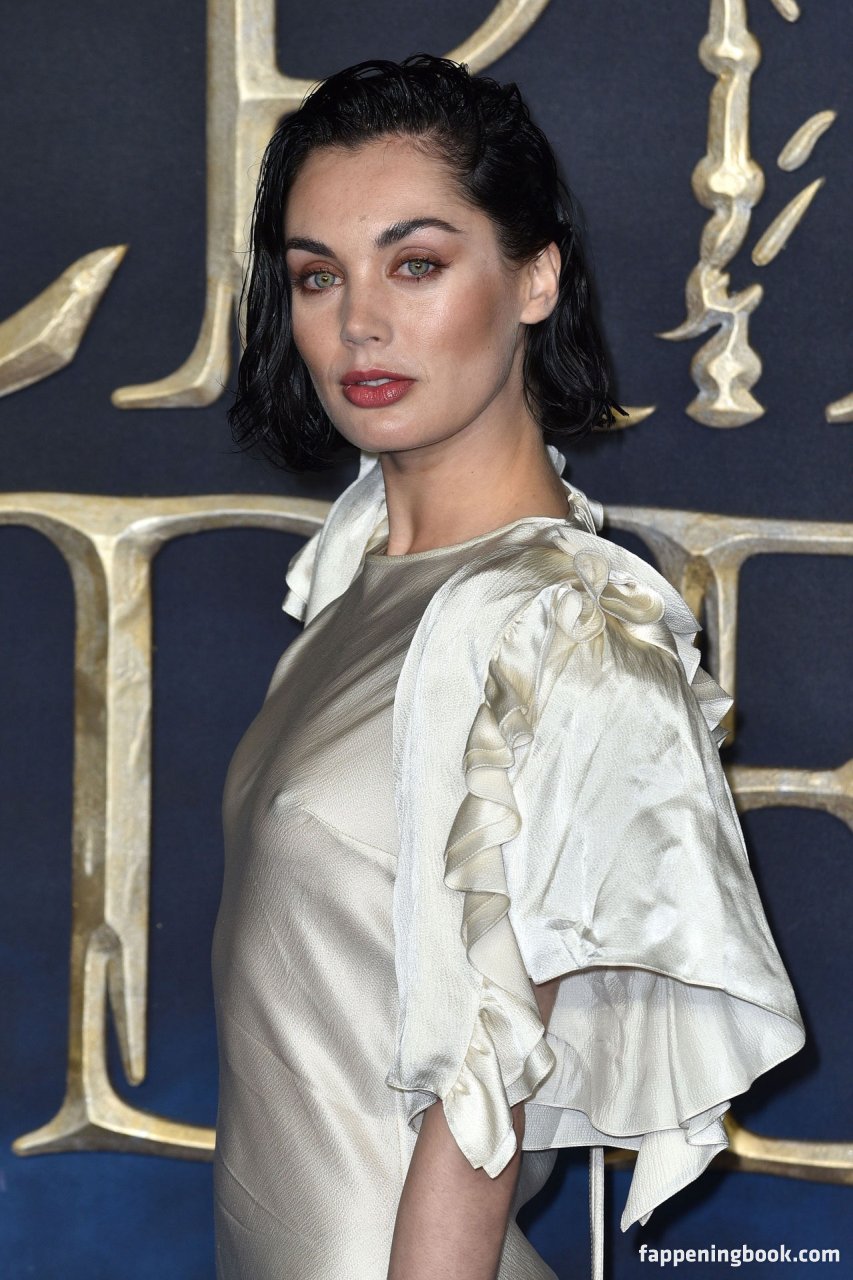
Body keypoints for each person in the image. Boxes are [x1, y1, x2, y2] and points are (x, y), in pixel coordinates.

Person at [211, 53, 806, 1280]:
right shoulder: (359, 578)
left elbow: (478, 1109)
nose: (358, 321)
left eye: (415, 264)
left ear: (535, 276)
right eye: (318, 275)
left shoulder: (559, 629)